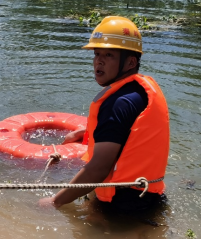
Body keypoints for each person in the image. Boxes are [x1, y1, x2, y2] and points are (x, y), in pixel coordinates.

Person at [39, 16, 170, 215]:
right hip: (148, 195)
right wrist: (88, 132)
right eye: (97, 53)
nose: (98, 61)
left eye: (109, 55)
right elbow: (130, 135)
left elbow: (98, 169)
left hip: (122, 207)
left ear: (130, 62)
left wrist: (55, 201)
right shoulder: (138, 92)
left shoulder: (119, 103)